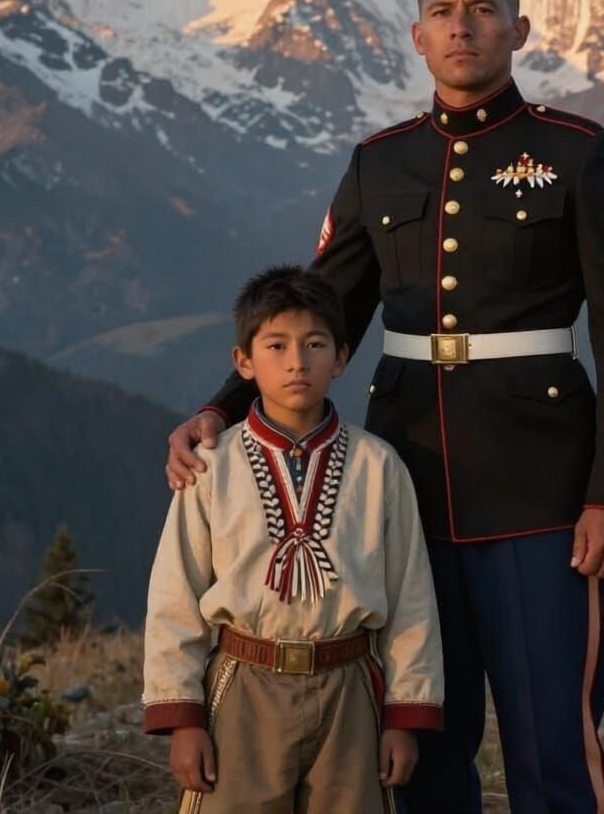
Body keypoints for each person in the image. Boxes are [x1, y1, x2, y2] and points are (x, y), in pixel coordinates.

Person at [165, 0, 604, 813]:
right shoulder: (380, 163)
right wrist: (223, 408)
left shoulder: (578, 154)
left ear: (519, 29)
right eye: (443, 11)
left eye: (482, 9)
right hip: (402, 491)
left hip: (543, 492)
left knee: (552, 744)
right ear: (417, 35)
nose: (461, 26)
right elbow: (319, 310)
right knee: (420, 744)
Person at [144, 265, 444, 814]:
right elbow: (175, 594)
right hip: (242, 686)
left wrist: (404, 715)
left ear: (341, 357)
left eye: (315, 344)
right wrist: (183, 717)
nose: (297, 362)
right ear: (244, 362)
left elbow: (411, 598)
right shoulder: (212, 466)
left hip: (350, 689)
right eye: (276, 345)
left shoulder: (378, 466)